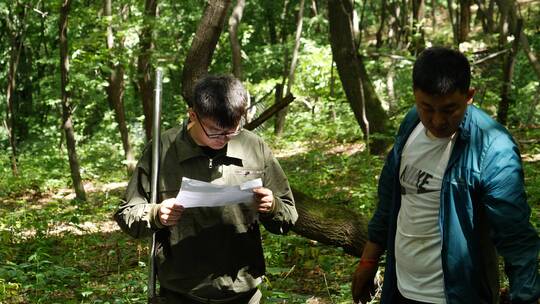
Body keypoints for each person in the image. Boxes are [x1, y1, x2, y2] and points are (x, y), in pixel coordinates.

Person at [351, 47, 540, 304]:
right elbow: (389, 200)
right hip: (400, 289)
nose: (437, 120)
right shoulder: (411, 125)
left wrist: (525, 297)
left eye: (449, 109)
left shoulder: (493, 148)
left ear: (469, 96)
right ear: (415, 97)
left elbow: (516, 237)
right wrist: (369, 260)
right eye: (427, 108)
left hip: (457, 295)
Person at [114, 75, 298, 304]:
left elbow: (289, 214)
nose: (224, 138)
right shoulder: (162, 150)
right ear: (193, 116)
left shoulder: (253, 146)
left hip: (243, 294)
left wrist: (273, 207)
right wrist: (155, 214)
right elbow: (126, 213)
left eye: (232, 130)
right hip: (180, 294)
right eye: (215, 131)